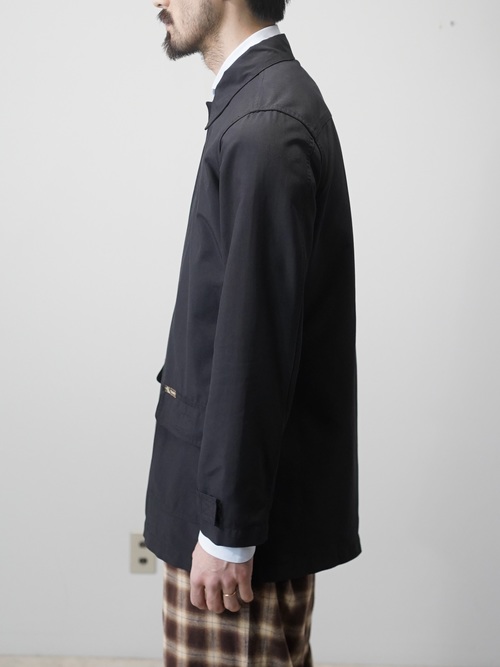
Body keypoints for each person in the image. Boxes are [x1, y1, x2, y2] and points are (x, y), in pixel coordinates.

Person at [144, 0, 361, 664]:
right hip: (227, 507)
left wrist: (227, 531)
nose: (155, 1)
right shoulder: (259, 105)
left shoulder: (264, 124)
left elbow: (252, 343)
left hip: (235, 536)